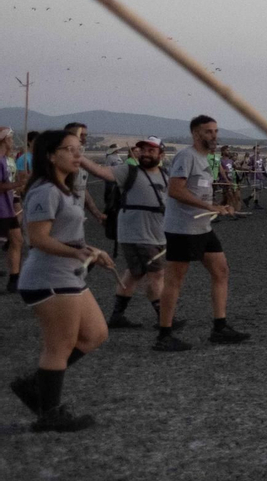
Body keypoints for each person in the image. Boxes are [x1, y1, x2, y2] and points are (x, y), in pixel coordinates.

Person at [8, 130, 115, 432]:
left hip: (68, 274)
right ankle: (49, 414)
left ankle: (36, 384)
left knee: (95, 334)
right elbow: (39, 240)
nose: (77, 154)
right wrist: (81, 251)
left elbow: (67, 237)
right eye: (70, 149)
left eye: (79, 149)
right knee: (61, 345)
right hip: (48, 277)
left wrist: (93, 251)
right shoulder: (45, 191)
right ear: (50, 156)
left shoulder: (64, 189)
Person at [155, 116, 250, 351]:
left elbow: (202, 192)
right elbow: (175, 190)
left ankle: (219, 328)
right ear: (196, 134)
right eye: (208, 132)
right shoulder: (186, 157)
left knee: (221, 271)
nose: (214, 136)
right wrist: (209, 207)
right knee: (175, 280)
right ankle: (164, 334)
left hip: (203, 227)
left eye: (216, 131)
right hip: (182, 228)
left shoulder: (207, 158)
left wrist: (221, 205)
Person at [107, 138, 173, 330]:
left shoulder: (164, 175)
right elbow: (102, 172)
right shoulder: (129, 171)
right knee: (157, 273)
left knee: (135, 273)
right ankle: (164, 319)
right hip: (139, 233)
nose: (145, 153)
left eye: (151, 151)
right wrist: (77, 157)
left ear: (161, 155)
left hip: (155, 232)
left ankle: (117, 316)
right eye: (143, 149)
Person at [0, 128, 22, 293]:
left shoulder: (5, 159)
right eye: (11, 137)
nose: (13, 140)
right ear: (4, 140)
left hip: (7, 207)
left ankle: (14, 279)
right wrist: (18, 184)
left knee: (17, 240)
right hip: (1, 208)